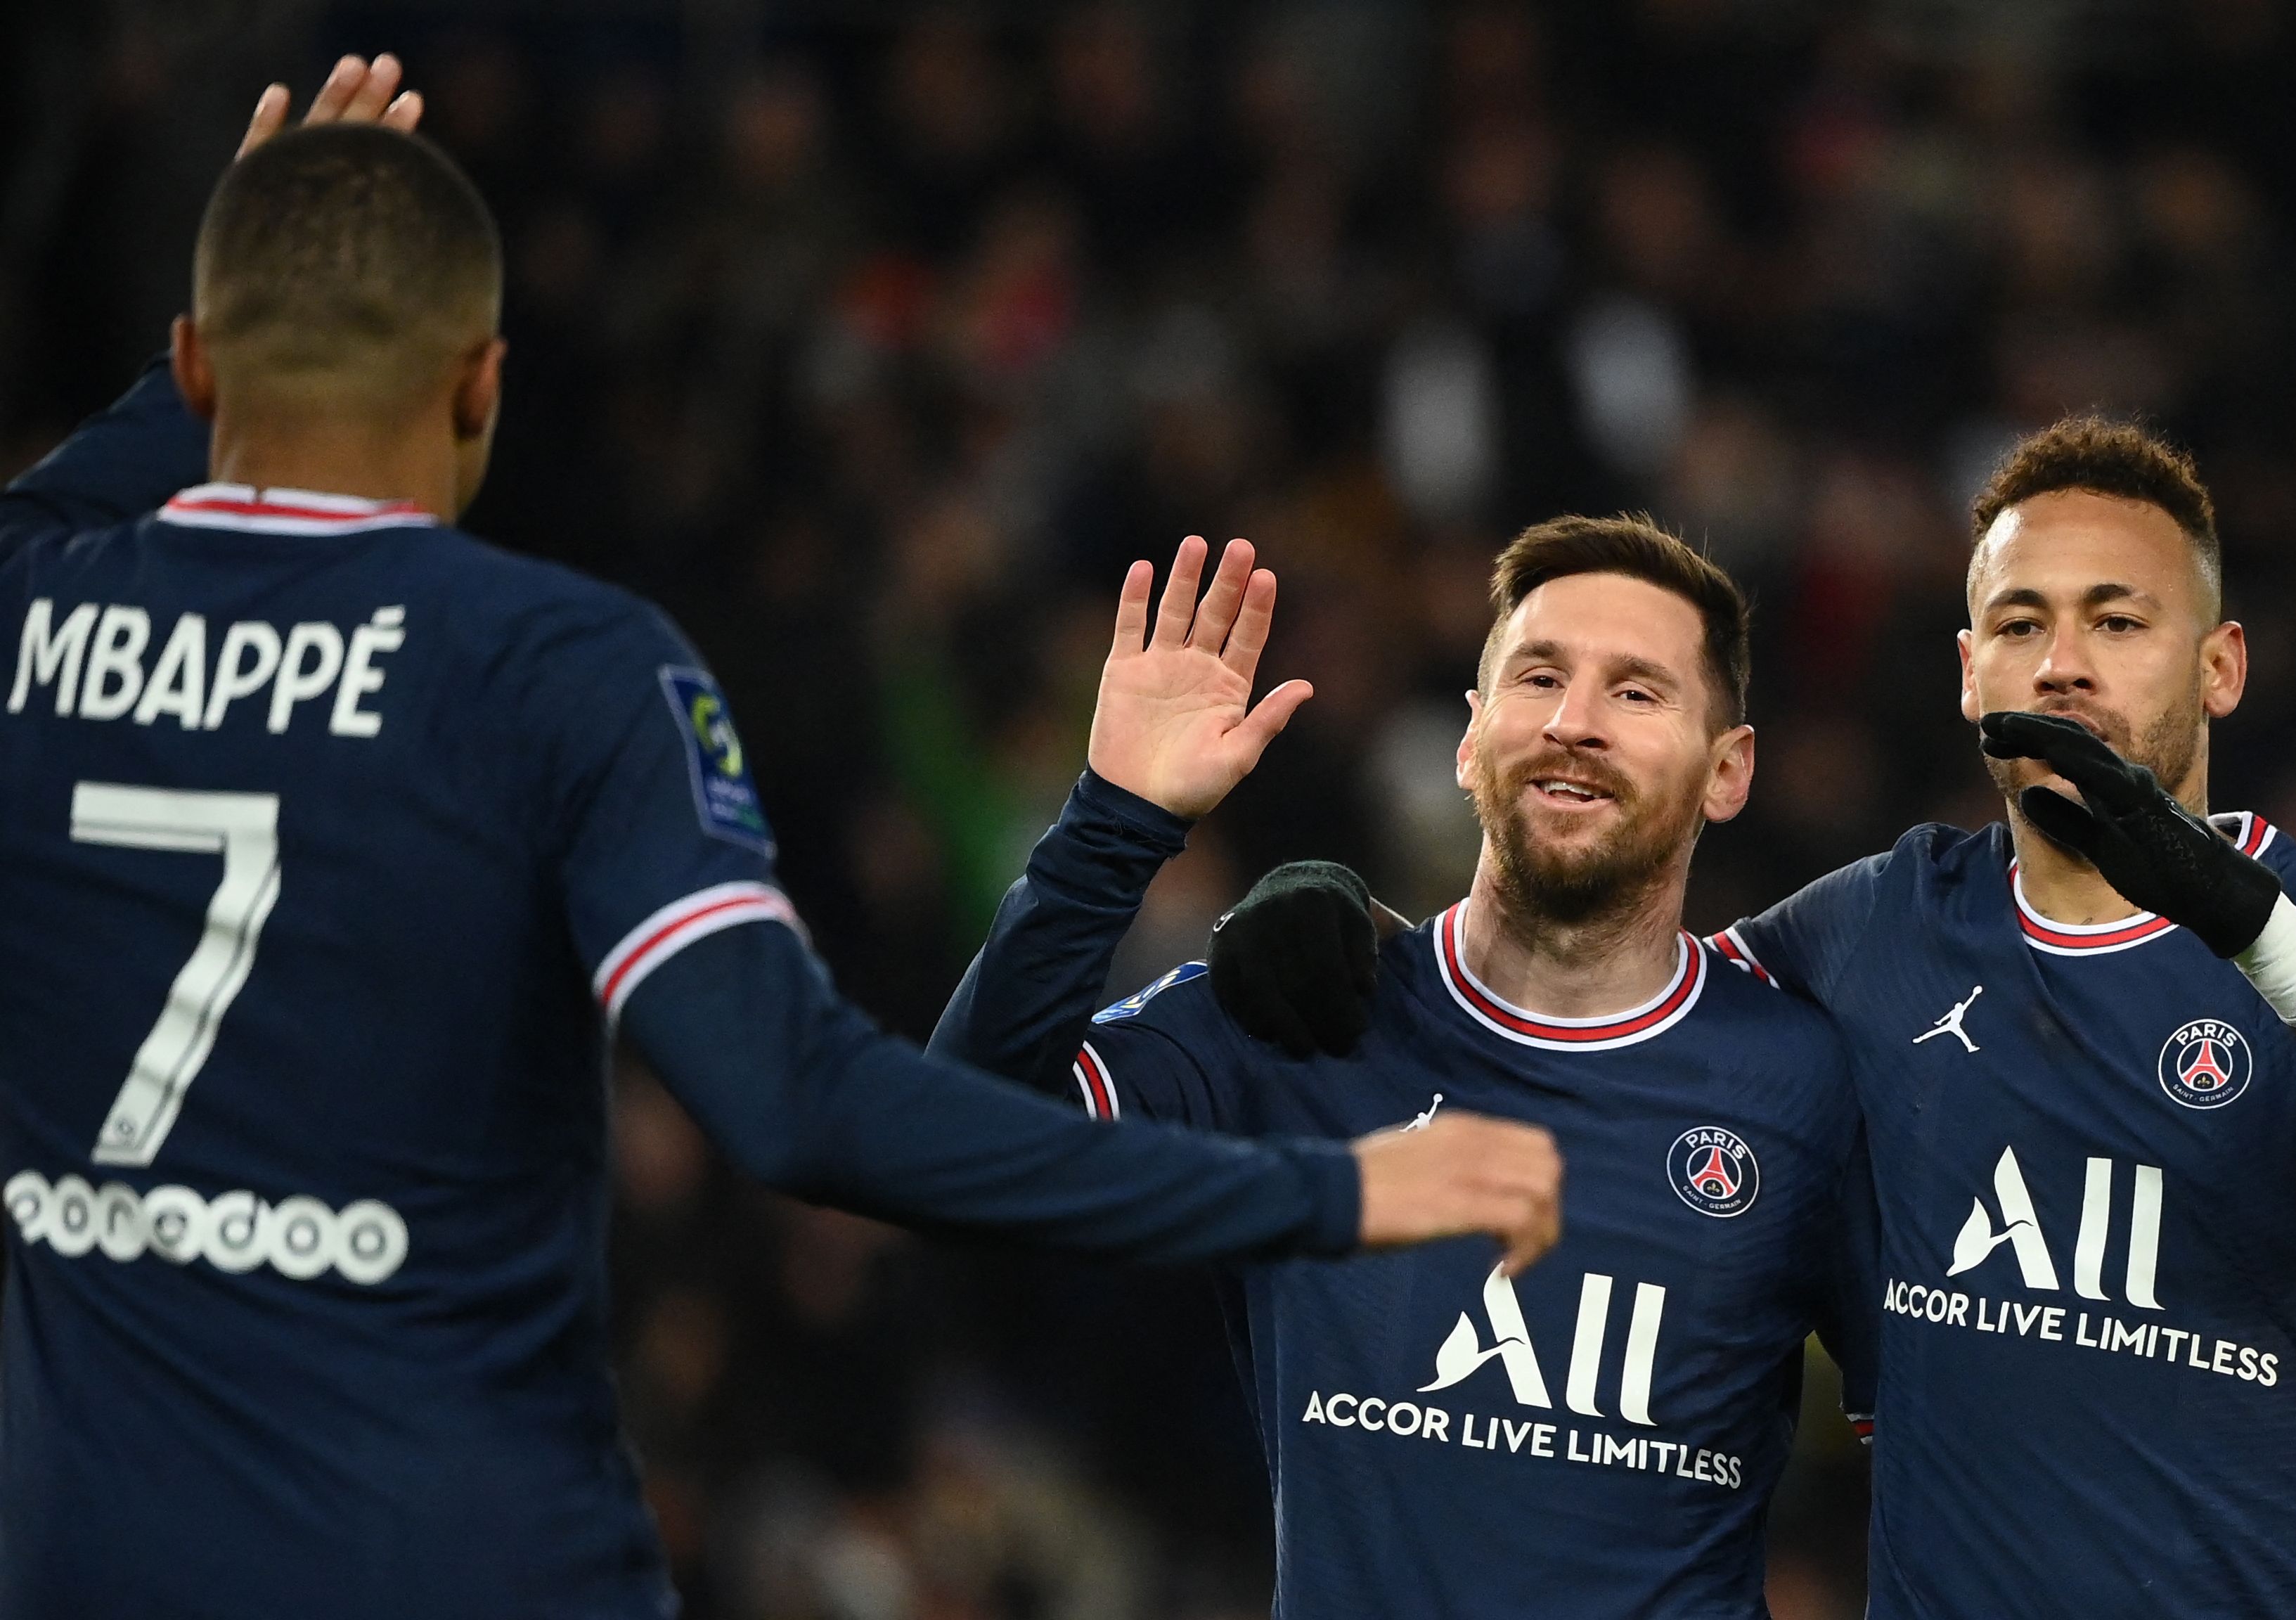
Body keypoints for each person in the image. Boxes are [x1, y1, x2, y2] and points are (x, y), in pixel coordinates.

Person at [0, 58, 1560, 1618]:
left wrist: (262, 283)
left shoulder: (29, 611)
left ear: (199, 366)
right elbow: (804, 1107)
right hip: (459, 1560)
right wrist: (1321, 1190)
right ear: (480, 382)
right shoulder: (559, 667)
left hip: (84, 1558)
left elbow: (74, 501)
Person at [1206, 423, 2296, 1613]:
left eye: (2117, 621)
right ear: (1972, 675)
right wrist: (1339, 921)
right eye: (2021, 623)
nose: (2063, 662)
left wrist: (2240, 921)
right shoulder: (1878, 929)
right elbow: (1604, 985)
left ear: (2221, 666)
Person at [934, 518, 1882, 1617]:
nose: (1574, 723)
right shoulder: (1301, 1011)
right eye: (1540, 676)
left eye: (1637, 693)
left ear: (1728, 771)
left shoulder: (1807, 1083)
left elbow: (1951, 1444)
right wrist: (1112, 824)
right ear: (1471, 740)